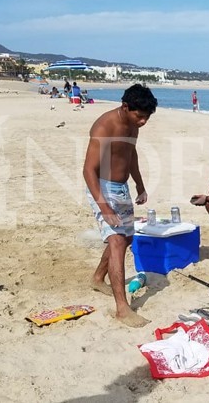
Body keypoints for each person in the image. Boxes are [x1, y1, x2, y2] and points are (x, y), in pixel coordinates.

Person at [83, 84, 158, 327]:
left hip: (121, 187)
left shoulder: (133, 126)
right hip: (102, 187)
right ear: (125, 107)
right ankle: (122, 309)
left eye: (147, 117)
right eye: (140, 116)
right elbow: (88, 170)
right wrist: (104, 207)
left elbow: (130, 154)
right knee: (116, 240)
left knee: (125, 239)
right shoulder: (105, 126)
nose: (143, 122)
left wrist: (140, 184)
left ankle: (97, 278)